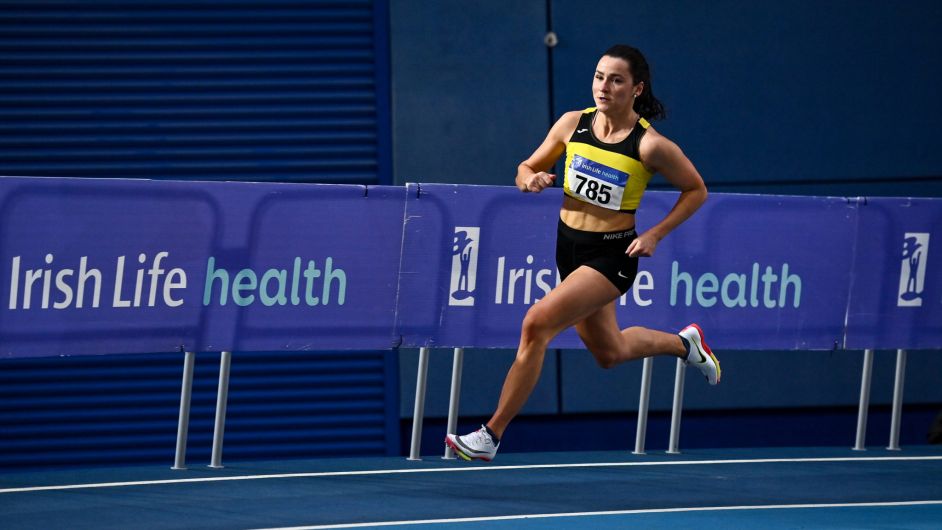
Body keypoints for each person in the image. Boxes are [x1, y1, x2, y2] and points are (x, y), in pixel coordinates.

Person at [445, 45, 720, 462]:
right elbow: (524, 167)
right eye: (598, 77)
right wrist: (530, 179)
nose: (603, 87)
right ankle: (685, 345)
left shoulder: (650, 146)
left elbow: (696, 189)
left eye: (615, 79)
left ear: (637, 88)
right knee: (610, 353)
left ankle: (491, 434)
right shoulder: (573, 124)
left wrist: (657, 234)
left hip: (613, 255)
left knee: (536, 324)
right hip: (568, 247)